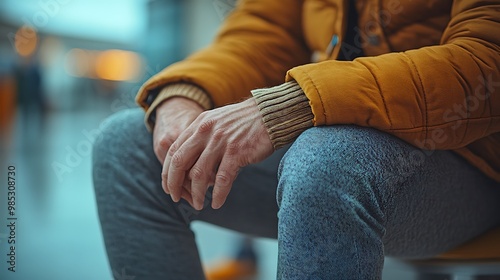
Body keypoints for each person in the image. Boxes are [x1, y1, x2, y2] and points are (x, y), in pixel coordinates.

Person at [92, 0, 500, 279]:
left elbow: (488, 58)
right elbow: (261, 36)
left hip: (467, 158)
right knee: (126, 149)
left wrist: (294, 104)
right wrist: (186, 92)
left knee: (326, 162)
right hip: (327, 143)